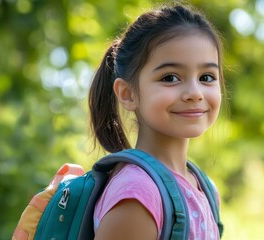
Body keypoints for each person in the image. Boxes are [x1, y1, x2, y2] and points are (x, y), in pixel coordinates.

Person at [88, 4, 225, 240]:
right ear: (128, 94)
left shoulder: (206, 189)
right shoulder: (138, 195)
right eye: (170, 77)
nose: (195, 92)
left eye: (206, 77)